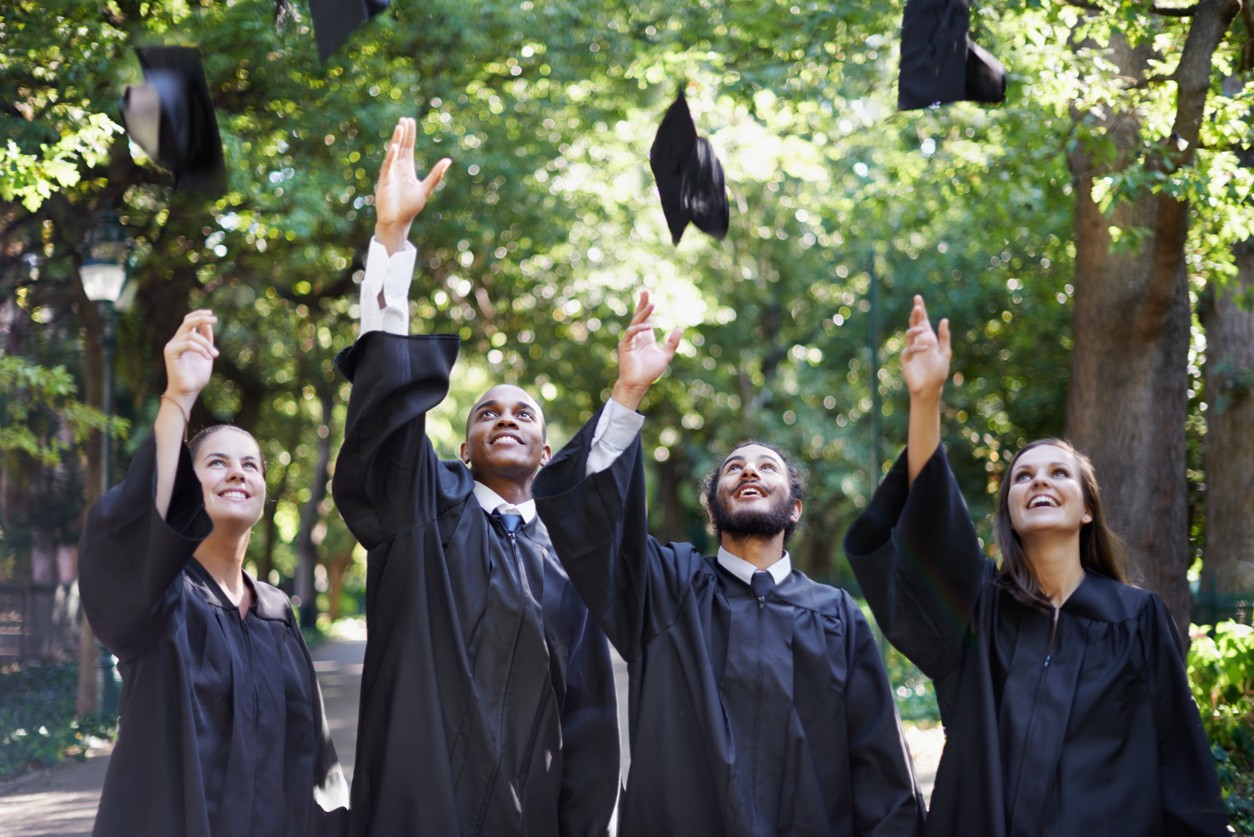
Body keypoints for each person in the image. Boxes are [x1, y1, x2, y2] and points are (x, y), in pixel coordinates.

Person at [531, 294, 923, 837]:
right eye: (733, 469)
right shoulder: (666, 590)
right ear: (713, 509)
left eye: (768, 467)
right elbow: (589, 526)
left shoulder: (837, 616)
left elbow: (878, 763)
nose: (749, 472)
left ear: (795, 507)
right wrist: (629, 393)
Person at [843, 295, 1228, 836]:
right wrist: (925, 398)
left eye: (1059, 473)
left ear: (1087, 509)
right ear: (1010, 515)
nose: (1040, 480)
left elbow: (1179, 758)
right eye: (1023, 477)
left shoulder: (1136, 619)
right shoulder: (982, 614)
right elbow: (935, 523)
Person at [331, 117, 619, 836]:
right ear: (461, 449)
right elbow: (387, 414)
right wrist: (391, 243)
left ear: (547, 453)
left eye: (525, 413)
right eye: (487, 411)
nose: (507, 417)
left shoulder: (569, 567)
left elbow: (589, 718)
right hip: (416, 807)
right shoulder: (424, 512)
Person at [79, 311, 349, 837]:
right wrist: (178, 399)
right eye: (216, 463)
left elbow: (316, 760)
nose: (237, 473)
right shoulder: (161, 601)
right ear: (185, 485)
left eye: (251, 465)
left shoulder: (277, 612)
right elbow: (131, 536)